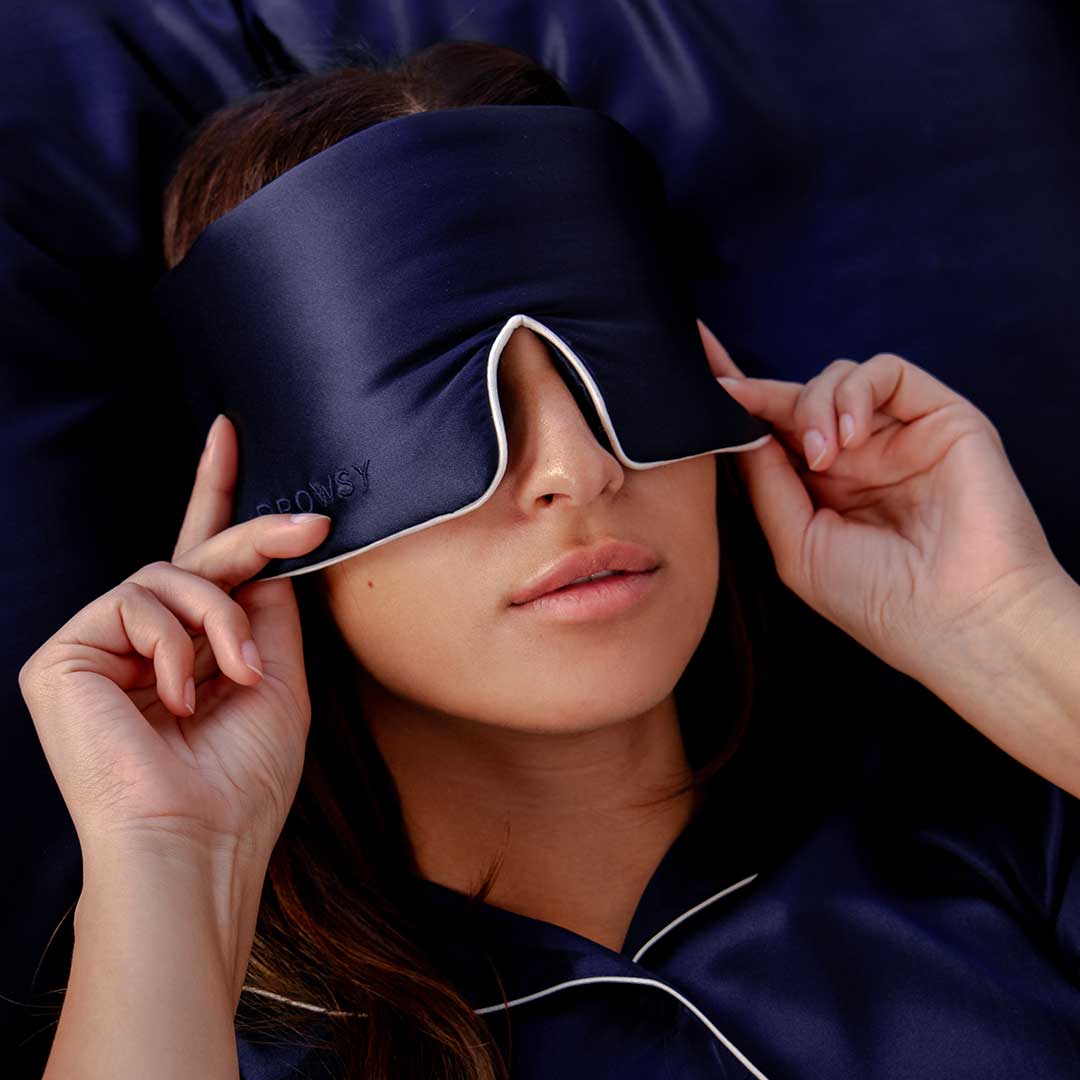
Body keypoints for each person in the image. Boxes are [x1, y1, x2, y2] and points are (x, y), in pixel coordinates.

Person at [18, 40, 1080, 1080]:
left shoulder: (1005, 827)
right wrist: (170, 866)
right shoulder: (209, 1036)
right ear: (259, 497)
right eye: (437, 420)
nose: (576, 469)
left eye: (614, 371)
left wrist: (1009, 635)